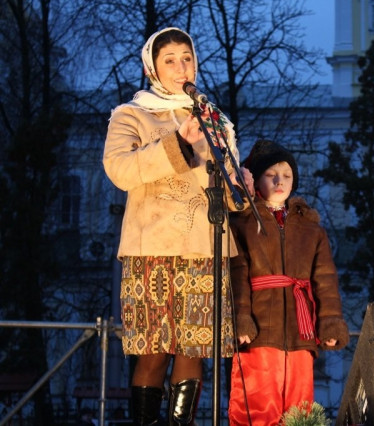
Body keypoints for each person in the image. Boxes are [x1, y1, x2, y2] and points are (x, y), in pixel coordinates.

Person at [103, 27, 252, 425]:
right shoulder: (131, 114)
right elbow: (119, 170)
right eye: (169, 60)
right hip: (151, 250)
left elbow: (231, 196)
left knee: (193, 351)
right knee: (153, 352)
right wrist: (179, 143)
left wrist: (241, 184)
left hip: (204, 248)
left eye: (186, 58)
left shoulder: (214, 119)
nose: (181, 67)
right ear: (152, 68)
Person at [227, 139, 350, 425]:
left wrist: (330, 323)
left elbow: (325, 280)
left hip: (300, 331)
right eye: (271, 174)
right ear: (256, 179)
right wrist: (241, 318)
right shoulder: (243, 223)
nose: (279, 181)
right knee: (258, 403)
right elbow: (237, 273)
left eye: (287, 175)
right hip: (259, 331)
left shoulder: (311, 229)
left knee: (299, 408)